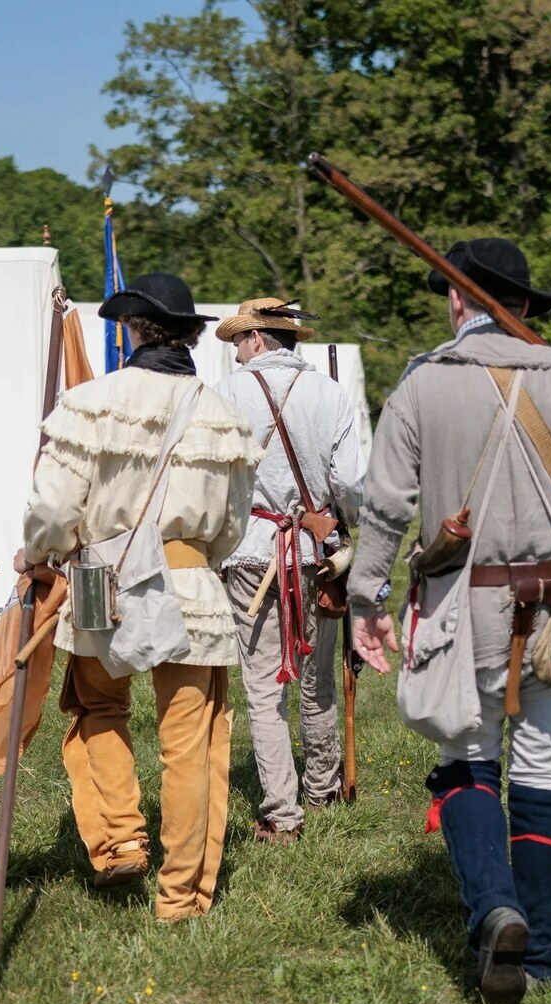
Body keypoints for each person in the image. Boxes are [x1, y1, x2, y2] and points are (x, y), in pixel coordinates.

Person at [346, 238, 551, 1004]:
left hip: (461, 609)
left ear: (457, 301)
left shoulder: (424, 384)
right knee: (545, 766)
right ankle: (543, 955)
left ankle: (495, 910)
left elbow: (384, 505)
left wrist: (364, 600)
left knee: (467, 759)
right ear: (521, 307)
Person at [18, 272, 261, 922]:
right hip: (191, 585)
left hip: (106, 580)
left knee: (97, 704)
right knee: (194, 742)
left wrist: (38, 554)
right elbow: (232, 528)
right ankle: (181, 896)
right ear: (187, 334)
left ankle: (120, 834)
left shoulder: (92, 401)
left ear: (130, 329)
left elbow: (52, 507)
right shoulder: (224, 417)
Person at [213, 298, 366, 843]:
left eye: (238, 340)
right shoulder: (331, 395)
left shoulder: (226, 396)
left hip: (250, 552)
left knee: (263, 687)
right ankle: (321, 788)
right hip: (315, 555)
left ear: (258, 338)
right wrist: (337, 524)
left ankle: (282, 810)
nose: (234, 351)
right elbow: (349, 485)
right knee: (318, 676)